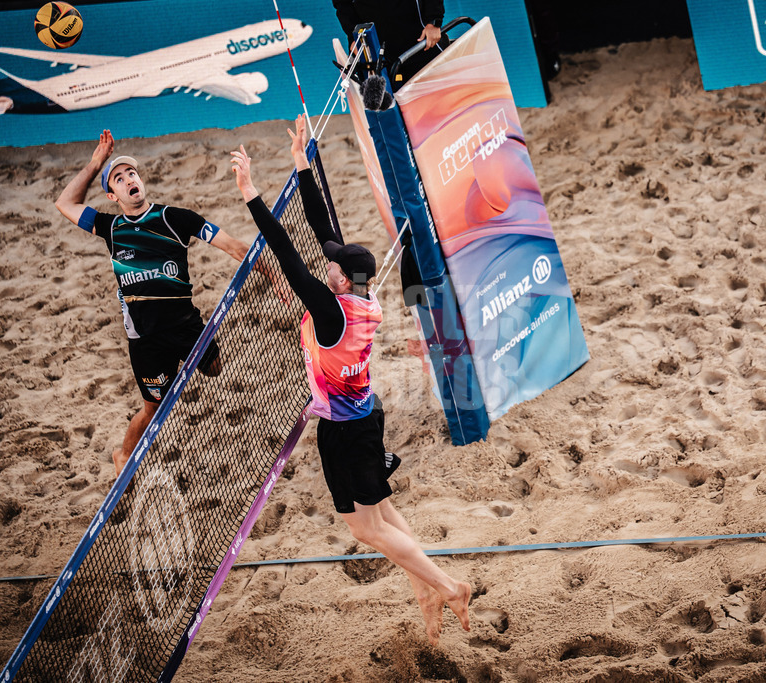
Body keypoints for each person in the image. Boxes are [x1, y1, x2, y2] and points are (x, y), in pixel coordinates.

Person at [230, 115, 471, 646]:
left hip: (348, 428)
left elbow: (289, 253)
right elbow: (325, 235)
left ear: (339, 277)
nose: (329, 261)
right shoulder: (360, 296)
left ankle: (450, 586)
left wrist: (251, 193)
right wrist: (301, 165)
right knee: (382, 513)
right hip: (362, 415)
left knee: (366, 529)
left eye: (333, 264)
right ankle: (425, 589)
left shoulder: (329, 310)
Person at [55, 130, 254, 476]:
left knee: (215, 368)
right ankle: (123, 455)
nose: (129, 179)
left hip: (185, 325)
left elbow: (236, 247)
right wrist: (95, 163)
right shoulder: (110, 228)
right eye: (119, 178)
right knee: (153, 410)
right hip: (145, 341)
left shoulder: (176, 219)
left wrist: (278, 277)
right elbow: (65, 204)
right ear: (112, 195)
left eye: (132, 173)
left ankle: (190, 359)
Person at [333, 0, 447, 88]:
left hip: (420, 42)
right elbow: (342, 4)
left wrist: (434, 21)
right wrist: (354, 36)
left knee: (440, 102)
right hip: (376, 50)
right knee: (386, 112)